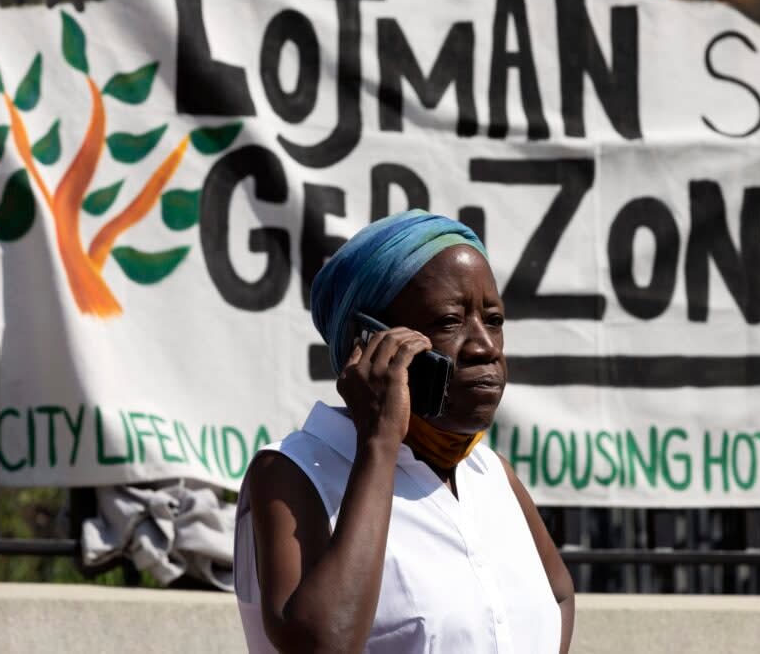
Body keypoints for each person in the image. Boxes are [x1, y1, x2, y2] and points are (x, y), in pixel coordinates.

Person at [234, 210, 574, 653]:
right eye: (450, 322)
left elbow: (560, 594)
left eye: (493, 320)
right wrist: (379, 441)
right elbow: (324, 643)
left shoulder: (489, 473)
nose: (485, 347)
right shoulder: (292, 474)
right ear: (369, 341)